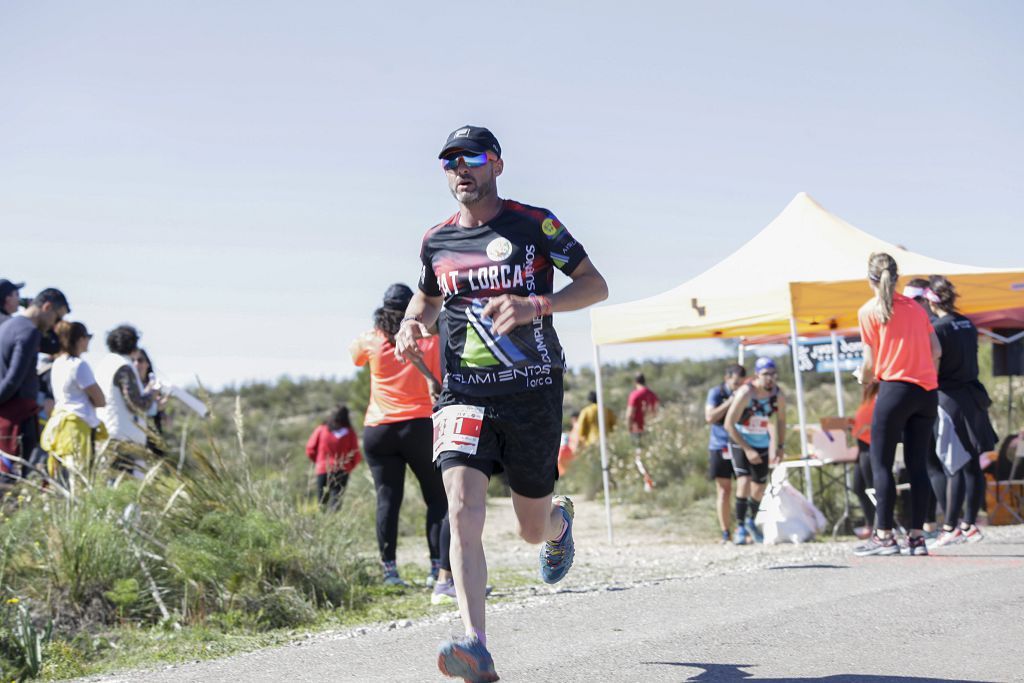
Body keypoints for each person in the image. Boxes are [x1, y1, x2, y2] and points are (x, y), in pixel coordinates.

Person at [394, 124, 607, 682]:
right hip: (462, 393)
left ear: (497, 165)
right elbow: (427, 296)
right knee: (461, 508)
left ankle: (558, 523)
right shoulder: (436, 240)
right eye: (449, 161)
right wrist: (413, 324)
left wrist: (538, 304)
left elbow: (595, 284)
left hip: (533, 391)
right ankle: (476, 644)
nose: (459, 168)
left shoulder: (535, 224)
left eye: (471, 157)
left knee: (530, 528)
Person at [350, 283, 446, 587]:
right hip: (419, 426)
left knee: (387, 500)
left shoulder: (371, 340)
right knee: (437, 499)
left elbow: (355, 357)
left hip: (379, 429)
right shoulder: (430, 338)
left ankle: (390, 572)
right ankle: (436, 569)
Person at [853, 253, 941, 557]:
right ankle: (918, 537)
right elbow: (936, 350)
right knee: (918, 465)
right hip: (927, 390)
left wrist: (863, 379)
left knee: (881, 464)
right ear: (897, 277)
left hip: (894, 390)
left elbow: (869, 363)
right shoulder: (917, 309)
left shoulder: (868, 311)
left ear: (870, 279)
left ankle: (884, 536)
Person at [926, 275, 998, 548]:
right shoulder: (968, 324)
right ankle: (968, 525)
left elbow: (935, 366)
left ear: (932, 301)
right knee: (972, 463)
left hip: (949, 399)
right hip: (973, 396)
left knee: (954, 464)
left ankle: (950, 527)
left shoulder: (938, 328)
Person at [0, 288, 70, 477]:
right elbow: (14, 379)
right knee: (10, 484)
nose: (55, 325)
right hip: (16, 418)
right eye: (56, 318)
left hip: (8, 414)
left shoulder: (7, 325)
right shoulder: (29, 332)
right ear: (47, 307)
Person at [724, 357, 786, 545]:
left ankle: (751, 520)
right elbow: (728, 424)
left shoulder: (777, 395)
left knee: (759, 488)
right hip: (740, 441)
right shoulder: (746, 393)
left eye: (773, 374)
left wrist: (780, 446)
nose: (770, 378)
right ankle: (740, 527)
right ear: (757, 374)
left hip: (761, 442)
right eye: (766, 374)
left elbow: (781, 421)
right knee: (744, 482)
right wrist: (747, 449)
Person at [39, 321, 106, 481]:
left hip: (60, 427)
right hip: (77, 427)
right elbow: (100, 400)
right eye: (87, 337)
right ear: (79, 339)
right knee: (80, 479)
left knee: (62, 478)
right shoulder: (79, 366)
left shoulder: (57, 364)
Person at [95, 325, 157, 474]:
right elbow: (135, 404)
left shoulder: (104, 364)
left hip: (104, 430)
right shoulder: (124, 367)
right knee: (123, 483)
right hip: (123, 435)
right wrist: (152, 393)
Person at [705, 364, 746, 543]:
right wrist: (731, 401)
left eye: (740, 383)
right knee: (724, 490)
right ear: (727, 379)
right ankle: (725, 532)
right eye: (735, 382)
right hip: (720, 445)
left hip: (741, 445)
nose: (738, 386)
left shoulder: (747, 393)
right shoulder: (716, 393)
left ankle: (743, 528)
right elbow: (710, 417)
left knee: (745, 488)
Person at [304, 405, 362, 511]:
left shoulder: (321, 430)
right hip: (342, 470)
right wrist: (348, 467)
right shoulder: (350, 433)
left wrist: (319, 462)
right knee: (336, 500)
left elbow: (310, 449)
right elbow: (356, 455)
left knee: (322, 501)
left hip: (323, 469)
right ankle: (332, 522)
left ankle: (322, 523)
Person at [851, 380, 879, 539]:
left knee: (872, 488)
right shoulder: (866, 398)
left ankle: (879, 525)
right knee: (859, 487)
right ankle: (870, 523)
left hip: (871, 448)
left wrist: (866, 428)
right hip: (862, 448)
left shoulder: (878, 397)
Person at [130, 348, 167, 455]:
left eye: (140, 360)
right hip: (134, 439)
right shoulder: (129, 387)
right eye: (133, 360)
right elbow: (138, 406)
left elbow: (166, 422)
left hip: (153, 441)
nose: (136, 364)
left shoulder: (155, 385)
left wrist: (162, 410)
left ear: (147, 364)